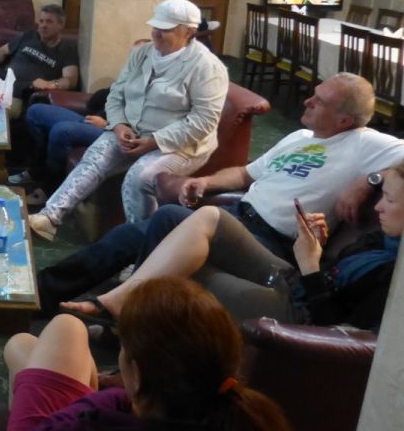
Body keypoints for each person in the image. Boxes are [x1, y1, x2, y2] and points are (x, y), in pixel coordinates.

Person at [36, 73, 404, 316]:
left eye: (319, 101)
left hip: (272, 242)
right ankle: (44, 292)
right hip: (237, 216)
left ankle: (125, 315)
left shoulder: (365, 143)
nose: (307, 101)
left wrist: (369, 179)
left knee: (167, 218)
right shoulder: (300, 137)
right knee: (132, 233)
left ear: (344, 120)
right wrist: (206, 183)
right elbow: (245, 173)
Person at [0, 277, 306, 431]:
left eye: (123, 348)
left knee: (45, 336)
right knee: (30, 343)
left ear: (136, 375)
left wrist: (109, 397)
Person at [61, 162, 404, 333]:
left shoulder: (393, 277)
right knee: (200, 216)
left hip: (301, 313)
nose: (377, 207)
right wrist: (315, 245)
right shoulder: (386, 238)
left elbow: (332, 329)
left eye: (388, 200)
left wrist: (310, 266)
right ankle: (123, 305)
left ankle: (125, 318)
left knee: (181, 268)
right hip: (298, 279)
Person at [29, 0, 228, 240]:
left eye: (165, 29)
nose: (156, 34)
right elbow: (116, 94)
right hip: (132, 131)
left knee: (138, 178)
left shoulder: (207, 67)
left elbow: (203, 122)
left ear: (189, 32)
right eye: (155, 27)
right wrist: (119, 125)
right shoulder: (142, 53)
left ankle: (139, 246)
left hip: (182, 146)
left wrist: (155, 141)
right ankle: (49, 217)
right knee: (95, 157)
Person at [0, 5, 79, 119]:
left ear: (61, 25)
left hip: (19, 93)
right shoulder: (30, 36)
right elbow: (2, 51)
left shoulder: (67, 50)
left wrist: (51, 84)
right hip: (0, 81)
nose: (43, 25)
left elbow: (71, 79)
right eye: (41, 21)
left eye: (49, 22)